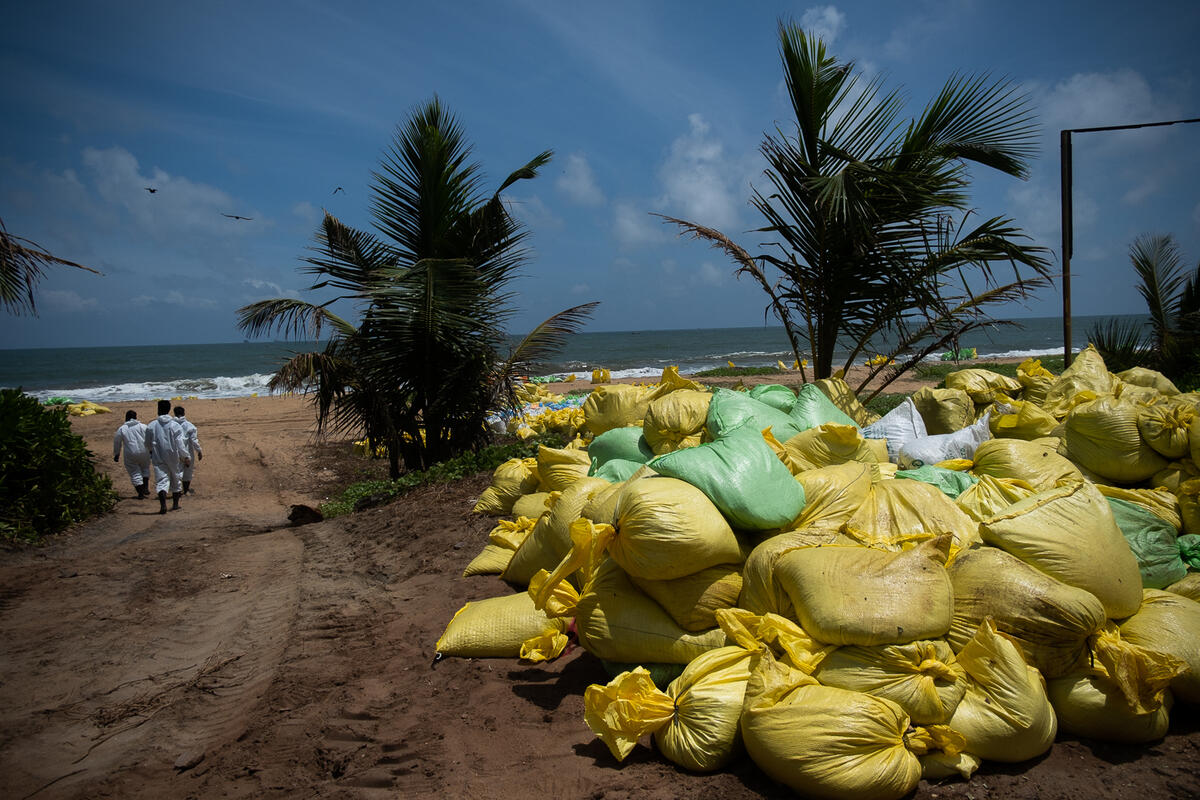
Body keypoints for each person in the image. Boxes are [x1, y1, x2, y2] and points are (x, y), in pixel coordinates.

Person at [144, 399, 190, 514]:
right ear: (169, 410)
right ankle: (175, 504)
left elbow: (147, 443)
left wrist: (151, 451)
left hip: (158, 456)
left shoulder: (151, 425)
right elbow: (180, 444)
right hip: (173, 456)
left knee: (161, 481)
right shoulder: (175, 425)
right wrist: (185, 457)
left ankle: (163, 505)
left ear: (158, 409)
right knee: (175, 479)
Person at [113, 409, 151, 499]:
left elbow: (117, 442)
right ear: (136, 417)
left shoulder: (122, 428)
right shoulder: (143, 426)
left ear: (126, 418)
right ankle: (145, 487)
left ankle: (140, 492)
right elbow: (150, 439)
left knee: (134, 472)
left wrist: (117, 454)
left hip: (130, 453)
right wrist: (151, 450)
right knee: (145, 468)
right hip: (144, 451)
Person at [173, 405, 203, 495]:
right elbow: (194, 440)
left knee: (177, 470)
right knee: (188, 471)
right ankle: (185, 490)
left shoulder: (171, 425)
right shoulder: (190, 426)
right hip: (187, 452)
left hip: (175, 451)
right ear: (184, 413)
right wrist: (199, 451)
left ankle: (177, 490)